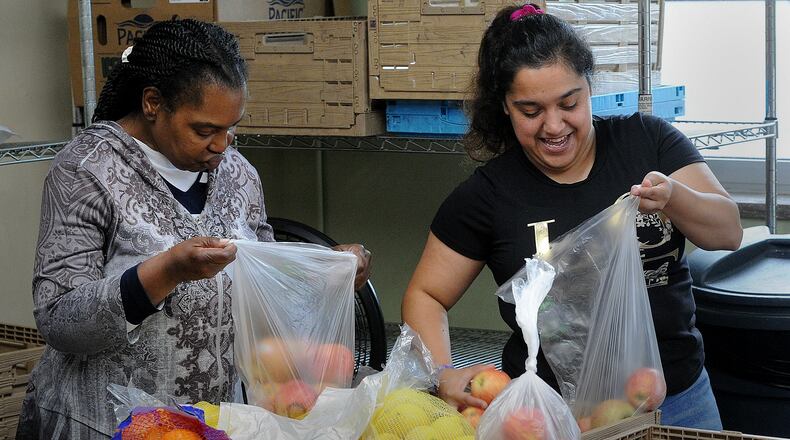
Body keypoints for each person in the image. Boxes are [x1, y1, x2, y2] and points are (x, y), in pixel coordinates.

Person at [17, 19, 371, 439]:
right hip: (103, 425)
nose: (222, 145)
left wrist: (325, 274)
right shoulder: (87, 170)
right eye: (205, 130)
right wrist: (165, 272)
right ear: (153, 103)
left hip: (209, 425)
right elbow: (59, 319)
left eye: (231, 127)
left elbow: (262, 298)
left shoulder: (238, 175)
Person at [401, 3, 742, 431]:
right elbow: (426, 294)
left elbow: (727, 233)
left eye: (569, 103)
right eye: (531, 111)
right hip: (551, 417)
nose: (554, 125)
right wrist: (444, 374)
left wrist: (675, 197)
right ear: (505, 106)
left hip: (678, 398)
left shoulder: (647, 143)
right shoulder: (489, 195)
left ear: (588, 86)